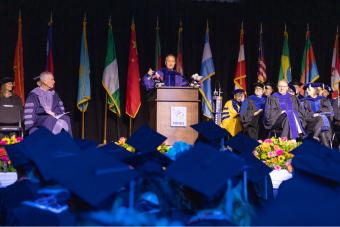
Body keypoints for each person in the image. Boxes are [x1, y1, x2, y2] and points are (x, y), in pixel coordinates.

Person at [301, 83, 333, 147]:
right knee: (321, 119)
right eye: (307, 89)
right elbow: (304, 115)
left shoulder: (323, 100)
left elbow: (330, 112)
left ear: (315, 90)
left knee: (322, 131)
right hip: (309, 124)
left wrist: (318, 113)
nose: (307, 91)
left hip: (323, 126)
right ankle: (329, 152)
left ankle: (315, 136)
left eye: (309, 89)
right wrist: (313, 115)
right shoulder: (304, 101)